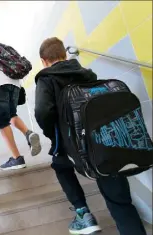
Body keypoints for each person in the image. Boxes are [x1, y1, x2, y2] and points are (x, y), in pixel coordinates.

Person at [34, 37, 147, 235]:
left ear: (44, 60)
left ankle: (82, 214)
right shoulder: (87, 73)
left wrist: (54, 136)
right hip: (100, 143)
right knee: (117, 194)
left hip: (70, 146)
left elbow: (42, 112)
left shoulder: (46, 78)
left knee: (60, 164)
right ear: (64, 54)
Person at [0, 43, 42, 170]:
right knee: (12, 114)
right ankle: (28, 134)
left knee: (2, 122)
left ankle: (17, 158)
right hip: (15, 83)